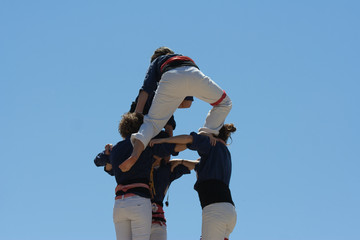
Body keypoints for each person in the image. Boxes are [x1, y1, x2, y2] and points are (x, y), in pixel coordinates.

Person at [120, 47, 232, 172]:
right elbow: (187, 103)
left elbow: (145, 90)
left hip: (170, 76)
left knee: (151, 123)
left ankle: (134, 155)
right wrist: (171, 103)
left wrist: (138, 114)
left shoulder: (157, 61)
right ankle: (207, 132)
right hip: (193, 71)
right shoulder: (181, 56)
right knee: (224, 103)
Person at [94, 112, 185, 240]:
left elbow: (98, 160)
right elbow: (171, 148)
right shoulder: (145, 146)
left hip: (119, 203)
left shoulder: (115, 149)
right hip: (139, 201)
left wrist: (107, 152)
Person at [149, 123, 237, 240]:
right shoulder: (223, 151)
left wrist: (162, 141)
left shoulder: (211, 143)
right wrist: (181, 161)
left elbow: (188, 139)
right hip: (229, 211)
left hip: (215, 211)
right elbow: (198, 165)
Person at [149, 156, 198, 240]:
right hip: (139, 215)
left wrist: (179, 161)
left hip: (158, 221)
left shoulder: (168, 169)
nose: (169, 156)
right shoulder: (143, 164)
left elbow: (196, 165)